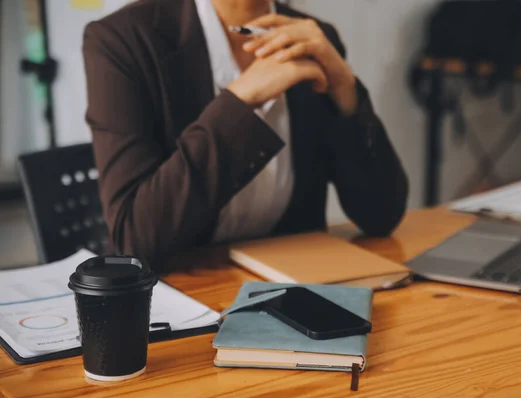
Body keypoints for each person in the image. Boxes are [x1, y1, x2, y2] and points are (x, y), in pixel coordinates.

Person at [83, 0, 409, 270]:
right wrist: (239, 102)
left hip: (297, 290)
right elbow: (134, 238)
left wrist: (345, 89)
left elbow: (381, 214)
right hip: (182, 299)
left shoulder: (313, 37)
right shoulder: (120, 41)